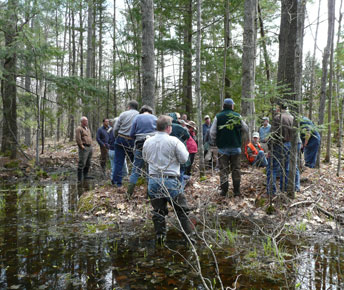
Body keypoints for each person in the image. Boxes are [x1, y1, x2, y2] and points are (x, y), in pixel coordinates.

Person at [142, 115, 194, 243]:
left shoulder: (148, 141)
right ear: (169, 128)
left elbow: (145, 158)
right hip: (170, 180)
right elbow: (184, 159)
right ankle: (189, 240)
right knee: (182, 211)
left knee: (158, 212)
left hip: (153, 181)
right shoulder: (174, 141)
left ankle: (160, 239)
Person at [210, 98, 248, 197]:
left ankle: (224, 191)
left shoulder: (218, 117)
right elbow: (245, 128)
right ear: (232, 106)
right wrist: (239, 136)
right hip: (236, 147)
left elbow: (212, 132)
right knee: (236, 169)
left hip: (222, 148)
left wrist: (216, 141)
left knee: (223, 170)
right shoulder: (237, 116)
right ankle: (236, 191)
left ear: (223, 106)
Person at [127, 105, 157, 198]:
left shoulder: (137, 118)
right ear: (150, 111)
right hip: (152, 146)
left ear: (141, 111)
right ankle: (149, 195)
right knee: (150, 170)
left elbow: (131, 134)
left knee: (136, 169)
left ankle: (129, 194)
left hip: (139, 145)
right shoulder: (155, 118)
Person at [266, 104, 294, 194]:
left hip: (278, 145)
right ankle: (284, 189)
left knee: (272, 168)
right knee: (286, 168)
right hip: (289, 145)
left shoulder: (277, 118)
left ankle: (271, 191)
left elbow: (272, 134)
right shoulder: (292, 118)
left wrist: (270, 147)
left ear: (279, 108)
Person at [112, 100, 139, 187]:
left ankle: (117, 182)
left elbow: (116, 128)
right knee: (135, 162)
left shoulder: (123, 114)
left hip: (121, 138)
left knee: (118, 162)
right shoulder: (139, 115)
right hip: (132, 140)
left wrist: (116, 137)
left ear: (129, 106)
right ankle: (135, 181)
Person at [75, 116, 93, 182]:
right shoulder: (79, 129)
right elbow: (78, 138)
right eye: (85, 120)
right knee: (82, 162)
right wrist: (81, 146)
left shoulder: (87, 128)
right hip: (84, 147)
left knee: (88, 162)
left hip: (90, 147)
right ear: (82, 121)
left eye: (87, 120)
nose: (87, 122)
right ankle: (79, 179)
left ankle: (85, 175)